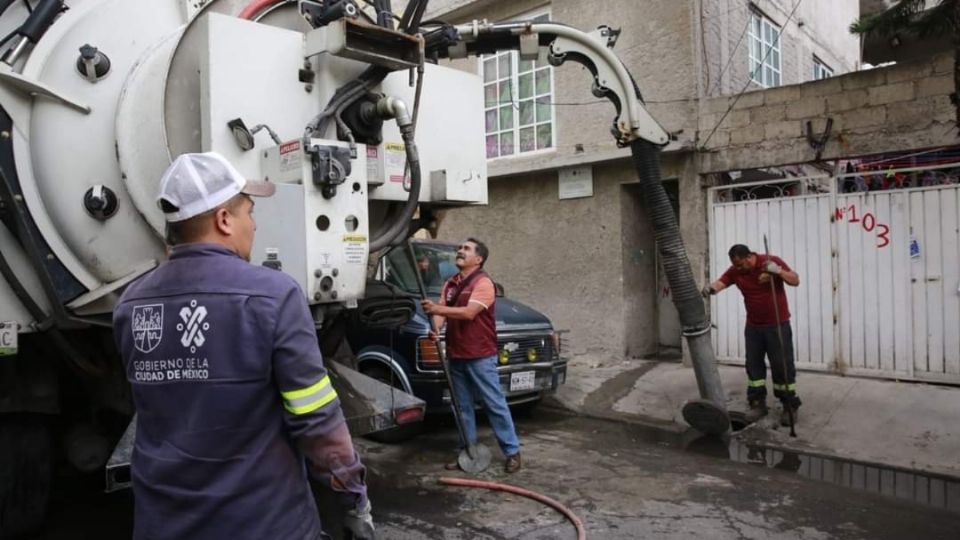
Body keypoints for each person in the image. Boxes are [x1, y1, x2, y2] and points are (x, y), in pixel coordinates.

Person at [113, 152, 373, 540]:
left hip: (162, 522)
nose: (254, 225)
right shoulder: (274, 295)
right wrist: (353, 495)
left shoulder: (131, 304)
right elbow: (316, 417)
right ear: (223, 219)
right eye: (249, 212)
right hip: (263, 523)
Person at [421, 238, 522, 473]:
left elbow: (468, 313)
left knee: (494, 403)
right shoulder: (451, 284)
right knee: (462, 407)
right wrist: (435, 328)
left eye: (466, 249)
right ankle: (467, 452)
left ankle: (512, 452)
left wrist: (437, 309)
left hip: (480, 356)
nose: (460, 252)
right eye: (460, 248)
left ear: (479, 259)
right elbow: (441, 315)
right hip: (456, 355)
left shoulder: (485, 284)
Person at [702, 243, 802, 426]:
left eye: (740, 264)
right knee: (754, 366)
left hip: (777, 325)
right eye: (735, 265)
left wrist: (778, 271)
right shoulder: (736, 270)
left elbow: (795, 280)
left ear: (749, 257)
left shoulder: (769, 262)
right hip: (754, 327)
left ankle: (789, 405)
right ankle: (757, 403)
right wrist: (711, 289)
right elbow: (722, 282)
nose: (738, 268)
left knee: (782, 366)